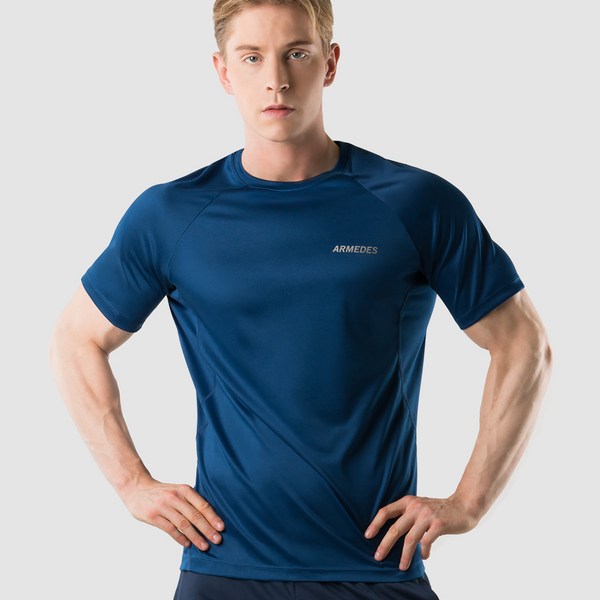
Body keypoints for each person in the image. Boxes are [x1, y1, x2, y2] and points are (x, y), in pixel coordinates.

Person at [49, 1, 553, 598]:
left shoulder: (416, 203)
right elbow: (76, 340)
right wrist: (132, 484)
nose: (276, 79)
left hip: (375, 565)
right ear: (222, 71)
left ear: (329, 62)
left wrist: (469, 502)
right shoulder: (171, 215)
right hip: (224, 565)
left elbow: (524, 345)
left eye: (296, 53)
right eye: (252, 57)